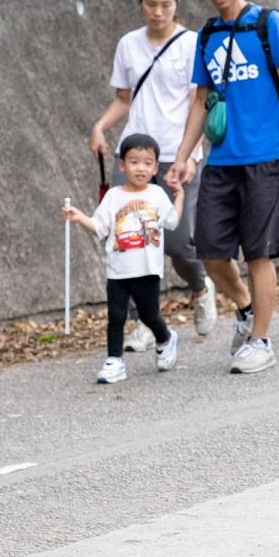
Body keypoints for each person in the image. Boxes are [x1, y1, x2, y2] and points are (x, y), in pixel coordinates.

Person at [167, 0, 279, 374]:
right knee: (210, 251)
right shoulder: (207, 35)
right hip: (221, 161)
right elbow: (200, 101)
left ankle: (261, 341)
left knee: (259, 254)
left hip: (267, 158)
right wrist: (183, 156)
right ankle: (246, 308)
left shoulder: (268, 24)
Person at [89, 0, 217, 353]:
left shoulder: (192, 44)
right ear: (140, 3)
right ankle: (143, 321)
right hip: (133, 156)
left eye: (165, 5)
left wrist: (190, 156)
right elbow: (123, 99)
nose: (157, 13)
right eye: (150, 4)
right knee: (128, 242)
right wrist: (100, 127)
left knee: (177, 242)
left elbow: (199, 103)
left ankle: (200, 286)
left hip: (177, 156)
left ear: (177, 5)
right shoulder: (129, 44)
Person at [62, 134, 183, 384]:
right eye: (134, 162)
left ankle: (165, 338)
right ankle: (114, 361)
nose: (141, 168)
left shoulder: (157, 194)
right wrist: (78, 217)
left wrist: (179, 197)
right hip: (117, 270)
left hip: (147, 270)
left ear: (155, 168)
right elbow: (99, 227)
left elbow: (172, 221)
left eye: (147, 163)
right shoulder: (113, 196)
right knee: (116, 316)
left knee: (149, 316)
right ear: (122, 165)